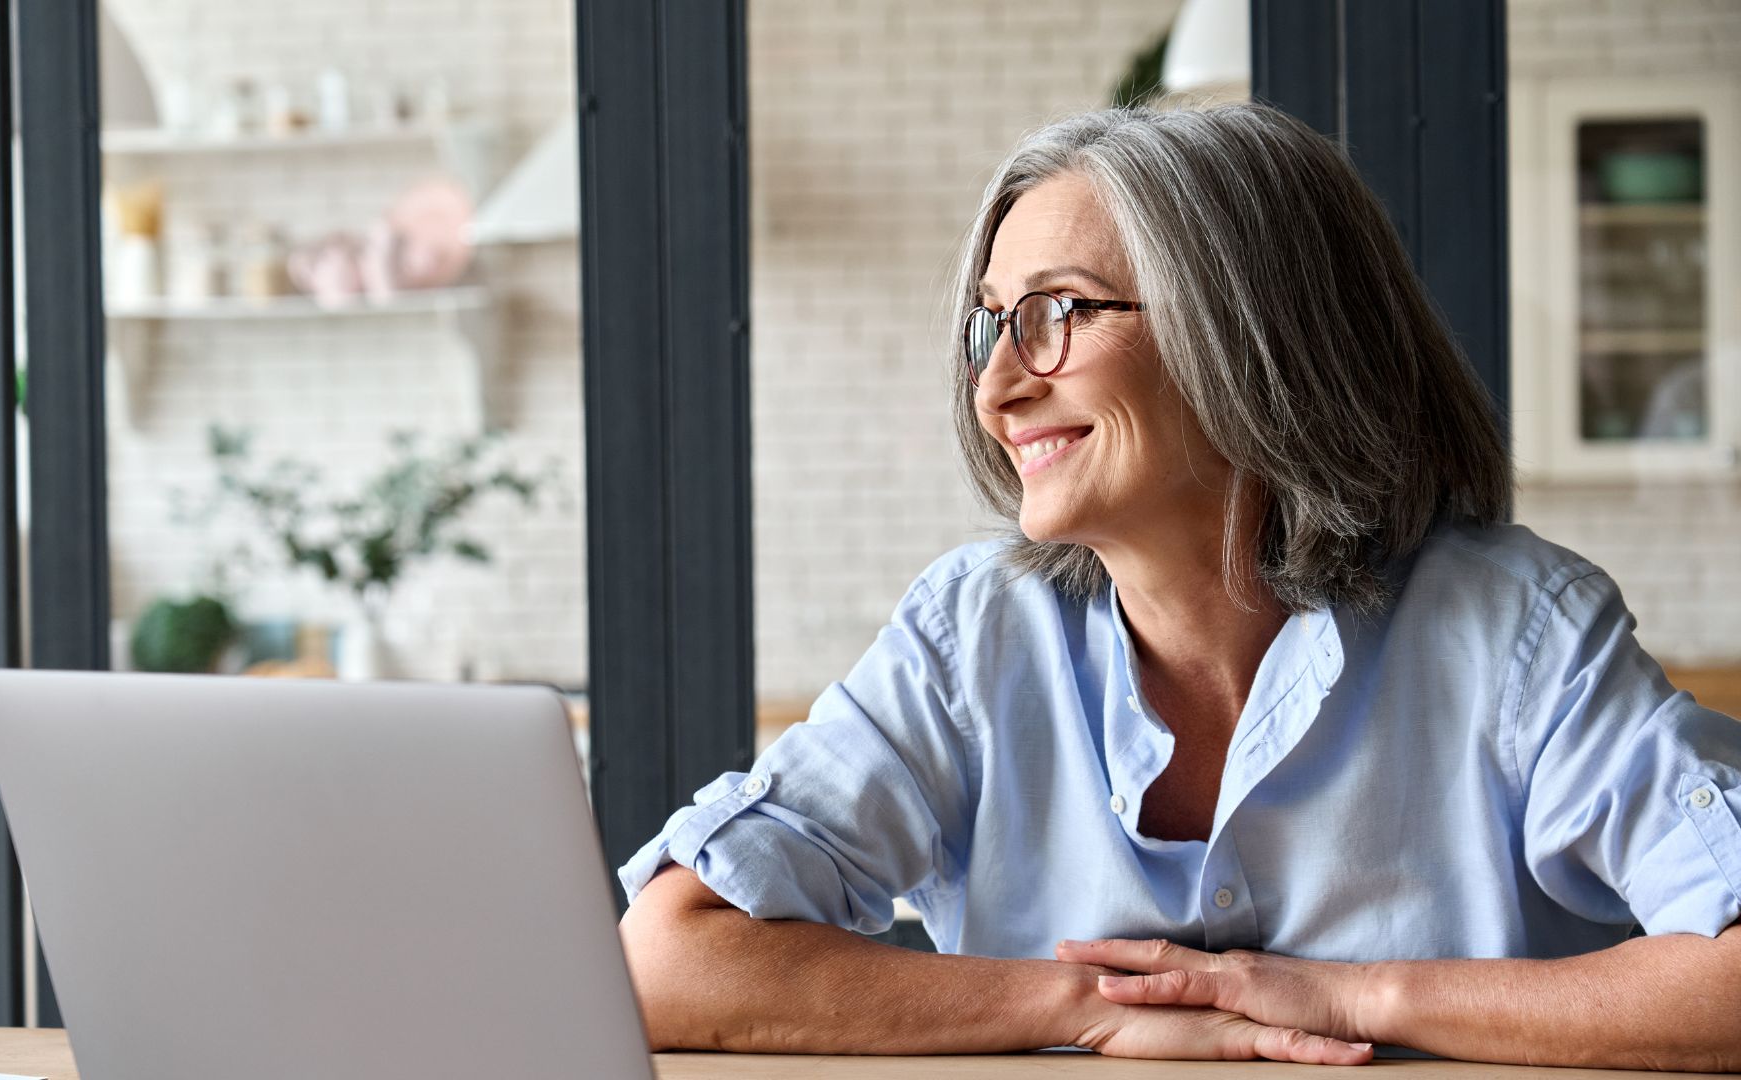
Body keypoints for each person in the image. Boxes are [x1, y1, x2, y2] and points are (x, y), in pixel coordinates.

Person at [614, 104, 1741, 1069]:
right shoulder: (975, 633)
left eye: (1057, 313)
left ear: (1253, 332)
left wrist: (1350, 997)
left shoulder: (1516, 634)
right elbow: (669, 954)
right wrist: (1089, 1013)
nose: (999, 386)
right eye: (988, 327)